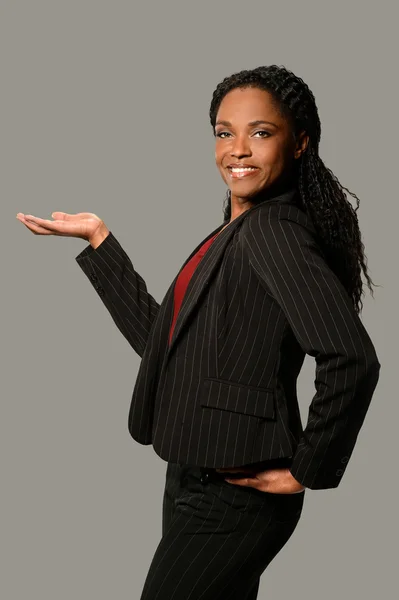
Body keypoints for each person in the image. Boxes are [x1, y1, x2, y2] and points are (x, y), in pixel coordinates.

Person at [16, 64, 381, 599]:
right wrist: (99, 240)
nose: (238, 149)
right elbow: (164, 346)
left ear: (299, 143)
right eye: (224, 132)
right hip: (193, 474)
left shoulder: (272, 234)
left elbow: (351, 357)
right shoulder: (235, 233)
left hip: (235, 497)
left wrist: (307, 468)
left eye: (261, 132)